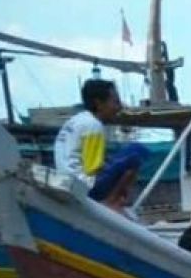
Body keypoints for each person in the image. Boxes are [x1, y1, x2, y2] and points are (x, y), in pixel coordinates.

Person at [54, 79, 145, 213]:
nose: (119, 108)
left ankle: (113, 200)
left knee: (119, 160)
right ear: (99, 103)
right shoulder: (94, 126)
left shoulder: (76, 120)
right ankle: (112, 202)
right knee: (136, 153)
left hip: (68, 181)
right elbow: (93, 169)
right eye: (115, 102)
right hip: (85, 186)